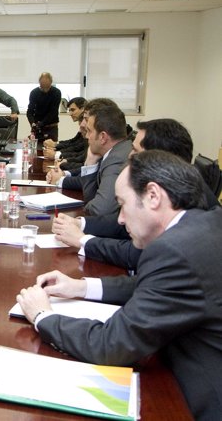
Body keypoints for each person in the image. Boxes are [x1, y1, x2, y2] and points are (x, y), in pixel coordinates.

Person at [16, 150, 222, 420]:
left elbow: (113, 345)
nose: (121, 219)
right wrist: (82, 287)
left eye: (123, 205)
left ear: (153, 195)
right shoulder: (205, 224)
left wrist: (43, 316)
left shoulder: (175, 251)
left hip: (196, 400)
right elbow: (153, 287)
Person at [53, 118, 221, 272]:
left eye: (135, 150)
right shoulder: (172, 186)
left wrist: (83, 240)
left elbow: (138, 254)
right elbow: (120, 223)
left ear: (158, 156)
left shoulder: (190, 202)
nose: (129, 155)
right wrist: (80, 223)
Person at [47, 99, 131, 216]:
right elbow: (92, 199)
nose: (86, 135)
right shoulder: (111, 151)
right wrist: (91, 163)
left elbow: (99, 209)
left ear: (103, 137)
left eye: (89, 131)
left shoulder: (116, 159)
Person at [26, 72, 61, 141]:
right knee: (35, 149)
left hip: (51, 127)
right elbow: (30, 111)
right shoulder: (34, 93)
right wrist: (32, 123)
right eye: (42, 87)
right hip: (37, 127)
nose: (45, 90)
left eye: (47, 87)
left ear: (51, 83)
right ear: (39, 83)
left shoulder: (56, 92)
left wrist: (41, 124)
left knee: (50, 149)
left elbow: (53, 111)